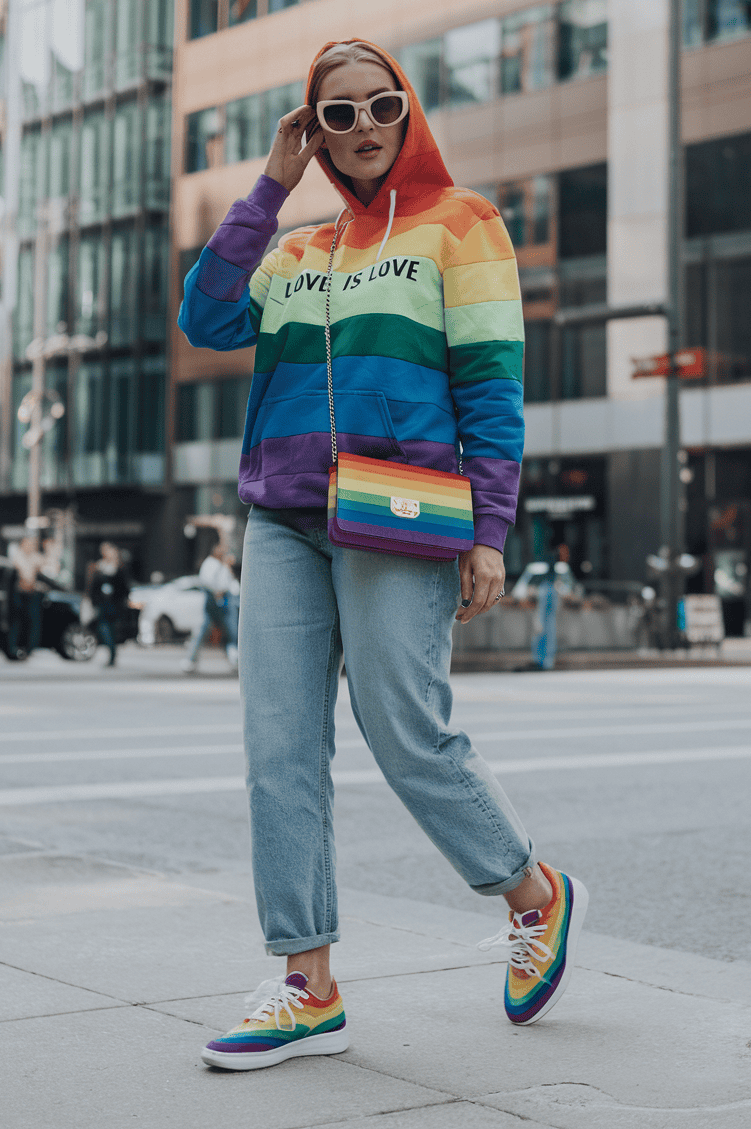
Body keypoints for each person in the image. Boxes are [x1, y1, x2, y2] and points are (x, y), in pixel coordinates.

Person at [179, 39, 588, 1072]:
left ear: (408, 112)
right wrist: (269, 187)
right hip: (280, 513)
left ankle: (532, 891)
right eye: (335, 115)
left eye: (379, 107)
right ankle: (307, 984)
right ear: (311, 130)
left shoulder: (464, 225)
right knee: (278, 747)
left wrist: (489, 530)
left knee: (404, 729)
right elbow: (206, 315)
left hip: (400, 512)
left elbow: (490, 386)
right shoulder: (297, 247)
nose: (360, 130)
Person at [181, 541, 239, 673]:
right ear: (215, 550)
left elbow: (231, 584)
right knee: (202, 630)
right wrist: (216, 591)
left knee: (232, 631)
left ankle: (234, 658)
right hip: (212, 600)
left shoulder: (224, 565)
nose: (224, 552)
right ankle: (190, 660)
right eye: (221, 549)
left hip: (225, 601)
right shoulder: (210, 563)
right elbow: (205, 581)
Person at [87, 542, 129, 667]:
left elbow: (125, 588)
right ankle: (111, 652)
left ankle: (112, 654)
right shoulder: (98, 567)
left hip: (115, 604)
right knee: (103, 628)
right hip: (102, 604)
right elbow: (92, 586)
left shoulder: (120, 568)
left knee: (113, 630)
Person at [8, 536, 46, 657]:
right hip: (19, 594)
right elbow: (23, 573)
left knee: (33, 623)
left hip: (32, 594)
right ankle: (13, 649)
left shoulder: (35, 557)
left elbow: (46, 564)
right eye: (27, 544)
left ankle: (29, 649)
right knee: (16, 623)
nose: (29, 547)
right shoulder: (18, 556)